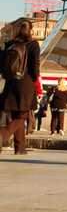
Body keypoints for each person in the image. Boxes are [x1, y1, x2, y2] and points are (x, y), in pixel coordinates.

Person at [0, 20, 40, 154]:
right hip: (25, 82)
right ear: (30, 31)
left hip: (11, 83)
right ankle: (3, 134)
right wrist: (33, 79)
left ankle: (20, 148)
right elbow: (35, 66)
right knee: (22, 116)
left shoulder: (11, 44)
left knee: (17, 115)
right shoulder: (33, 44)